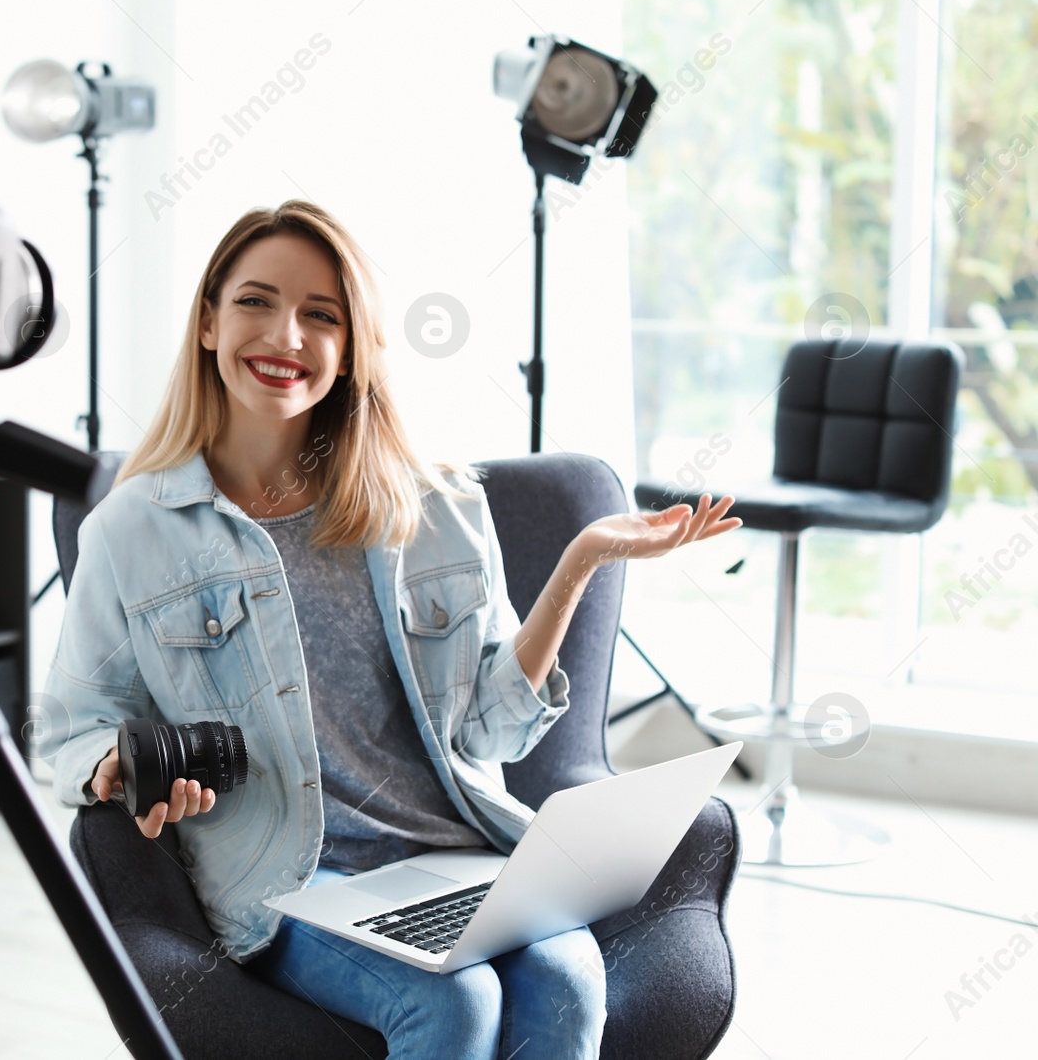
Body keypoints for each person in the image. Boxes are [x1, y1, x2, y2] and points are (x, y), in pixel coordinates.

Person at [38, 200, 740, 1059]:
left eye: (320, 315)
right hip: (294, 878)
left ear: (351, 348)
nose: (285, 335)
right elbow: (70, 729)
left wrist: (581, 561)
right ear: (211, 320)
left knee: (569, 981)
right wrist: (119, 766)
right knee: (456, 1005)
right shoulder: (130, 530)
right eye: (256, 301)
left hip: (457, 852)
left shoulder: (437, 508)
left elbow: (493, 728)